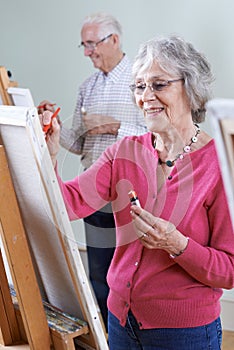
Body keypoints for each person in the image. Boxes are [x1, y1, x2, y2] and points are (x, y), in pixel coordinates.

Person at [41, 34, 234, 349]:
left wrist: (177, 245)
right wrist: (49, 158)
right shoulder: (123, 152)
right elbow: (69, 204)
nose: (146, 96)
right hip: (119, 323)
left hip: (183, 334)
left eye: (159, 85)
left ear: (191, 88)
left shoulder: (220, 165)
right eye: (140, 86)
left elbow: (229, 270)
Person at [38, 12, 146, 330]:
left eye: (92, 44)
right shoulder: (88, 87)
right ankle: (106, 337)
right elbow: (81, 143)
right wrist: (56, 128)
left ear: (114, 40)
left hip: (132, 196)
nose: (87, 52)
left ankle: (131, 335)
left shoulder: (141, 81)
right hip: (93, 195)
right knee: (99, 273)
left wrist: (113, 127)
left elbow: (153, 137)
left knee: (129, 273)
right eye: (83, 45)